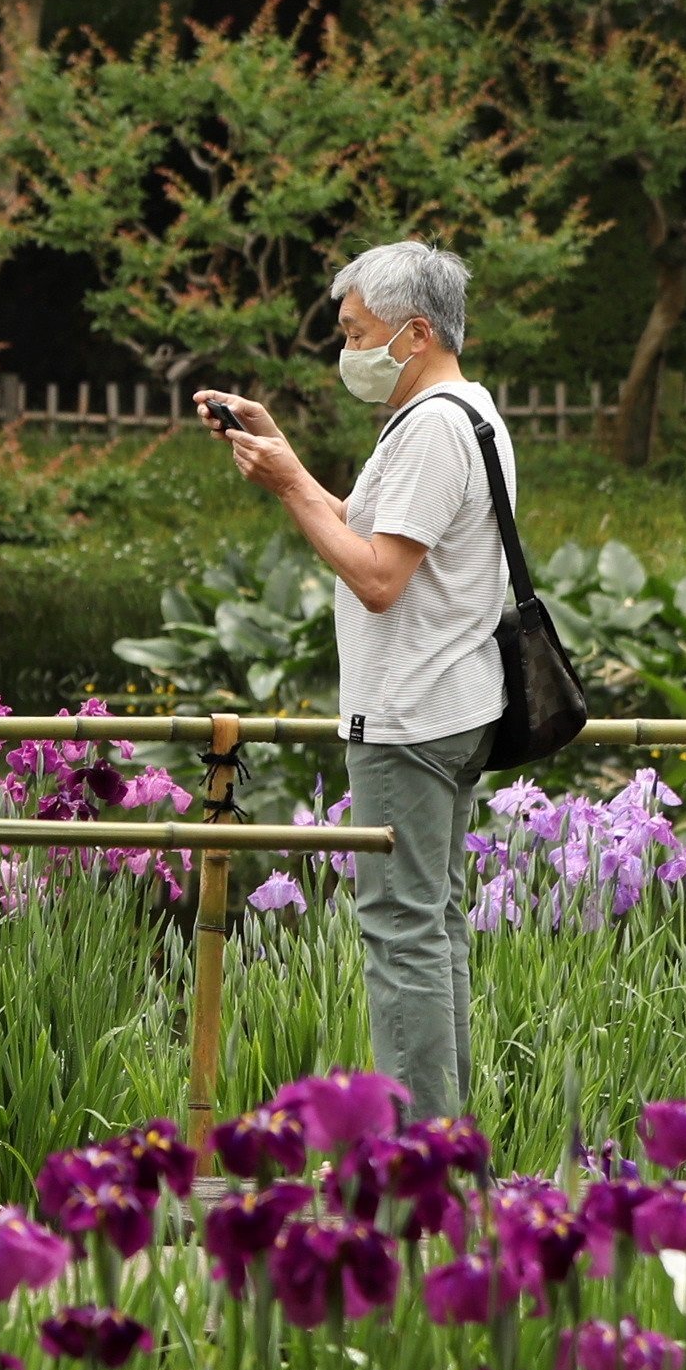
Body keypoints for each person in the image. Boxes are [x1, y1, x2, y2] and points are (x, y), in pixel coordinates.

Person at [200, 239, 510, 1128]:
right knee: (435, 926)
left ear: (415, 334)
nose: (348, 350)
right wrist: (288, 460)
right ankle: (444, 1148)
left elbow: (379, 578)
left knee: (403, 936)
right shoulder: (465, 412)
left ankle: (418, 1166)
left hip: (412, 715)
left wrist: (292, 487)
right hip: (454, 704)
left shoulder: (435, 428)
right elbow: (377, 533)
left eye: (356, 331)